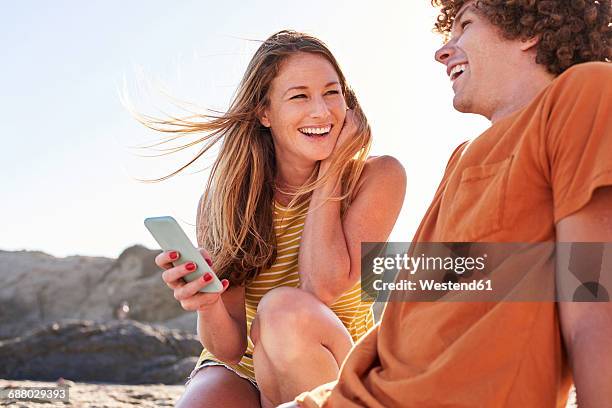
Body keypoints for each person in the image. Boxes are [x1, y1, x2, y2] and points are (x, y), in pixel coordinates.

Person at [283, 1, 611, 407]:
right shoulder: (461, 157)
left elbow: (594, 295)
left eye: (465, 27)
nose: (443, 51)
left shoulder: (586, 92)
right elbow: (412, 318)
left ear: (528, 30)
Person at [147, 30, 406, 407]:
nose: (321, 111)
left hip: (335, 357)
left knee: (282, 311)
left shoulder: (378, 176)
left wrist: (330, 171)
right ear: (264, 113)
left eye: (332, 93)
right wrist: (206, 303)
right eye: (299, 96)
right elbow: (230, 348)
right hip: (246, 365)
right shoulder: (224, 201)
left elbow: (322, 286)